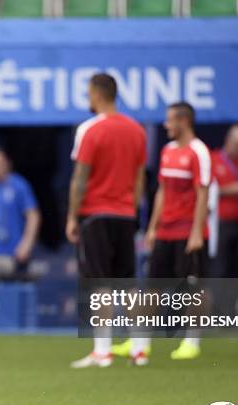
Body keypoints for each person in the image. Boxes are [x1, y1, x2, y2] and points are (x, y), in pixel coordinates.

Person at [66, 73, 147, 368]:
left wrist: (72, 216)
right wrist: (132, 209)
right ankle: (139, 349)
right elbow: (139, 178)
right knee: (128, 283)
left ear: (98, 94)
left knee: (100, 283)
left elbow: (80, 178)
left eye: (88, 93)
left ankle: (103, 350)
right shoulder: (137, 130)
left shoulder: (90, 129)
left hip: (96, 215)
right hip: (125, 214)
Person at [135, 102, 212, 363]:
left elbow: (203, 194)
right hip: (165, 232)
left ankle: (192, 341)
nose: (166, 125)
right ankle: (140, 344)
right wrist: (153, 226)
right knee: (152, 287)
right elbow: (162, 191)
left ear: (183, 121)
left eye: (170, 120)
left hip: (187, 232)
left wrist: (196, 232)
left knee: (191, 288)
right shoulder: (167, 150)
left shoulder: (199, 152)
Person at [0, 148, 40, 279]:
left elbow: (33, 216)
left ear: (7, 163)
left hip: (15, 250)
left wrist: (26, 244)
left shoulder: (19, 185)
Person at [212, 125, 238, 280]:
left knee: (237, 270)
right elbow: (207, 191)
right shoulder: (213, 159)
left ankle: (232, 304)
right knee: (220, 267)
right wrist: (231, 190)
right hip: (221, 223)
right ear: (228, 140)